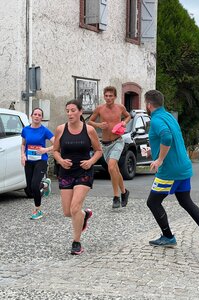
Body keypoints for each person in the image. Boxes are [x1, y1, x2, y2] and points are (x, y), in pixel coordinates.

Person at [144, 90, 199, 254]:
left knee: (153, 202)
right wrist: (153, 152)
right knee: (186, 201)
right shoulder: (170, 117)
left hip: (169, 172)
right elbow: (170, 140)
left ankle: (168, 237)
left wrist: (159, 160)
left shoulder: (156, 120)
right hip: (184, 167)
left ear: (149, 105)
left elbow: (167, 138)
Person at [53, 100, 102, 255]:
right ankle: (85, 215)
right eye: (67, 111)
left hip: (84, 171)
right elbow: (55, 150)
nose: (69, 114)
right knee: (68, 212)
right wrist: (60, 161)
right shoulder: (60, 129)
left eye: (73, 110)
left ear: (81, 112)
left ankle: (76, 242)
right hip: (66, 172)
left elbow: (99, 151)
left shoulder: (89, 130)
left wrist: (90, 162)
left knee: (75, 207)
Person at [88, 86, 131, 208]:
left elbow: (128, 116)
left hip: (117, 141)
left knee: (111, 167)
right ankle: (124, 192)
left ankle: (116, 197)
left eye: (110, 96)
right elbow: (90, 121)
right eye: (106, 96)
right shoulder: (100, 109)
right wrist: (98, 125)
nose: (108, 98)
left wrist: (124, 122)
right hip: (105, 144)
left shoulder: (120, 108)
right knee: (115, 170)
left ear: (115, 97)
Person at [21, 108, 54, 220]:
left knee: (35, 185)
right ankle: (45, 185)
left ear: (41, 118)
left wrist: (46, 149)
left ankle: (38, 210)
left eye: (39, 115)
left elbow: (57, 143)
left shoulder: (44, 130)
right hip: (29, 161)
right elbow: (23, 144)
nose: (37, 116)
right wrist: (22, 155)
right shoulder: (25, 130)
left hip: (41, 161)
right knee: (30, 189)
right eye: (35, 114)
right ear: (31, 116)